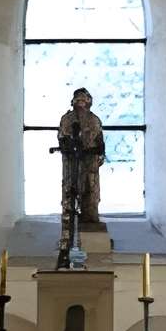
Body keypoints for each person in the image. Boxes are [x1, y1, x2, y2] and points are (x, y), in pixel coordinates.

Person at [53, 87, 105, 269]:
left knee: (90, 196)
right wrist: (70, 148)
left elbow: (100, 144)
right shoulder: (67, 119)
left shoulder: (94, 120)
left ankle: (89, 228)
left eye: (84, 100)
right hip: (71, 165)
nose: (81, 104)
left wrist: (94, 153)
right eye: (78, 100)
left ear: (89, 102)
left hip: (89, 166)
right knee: (69, 198)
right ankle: (65, 242)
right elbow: (62, 138)